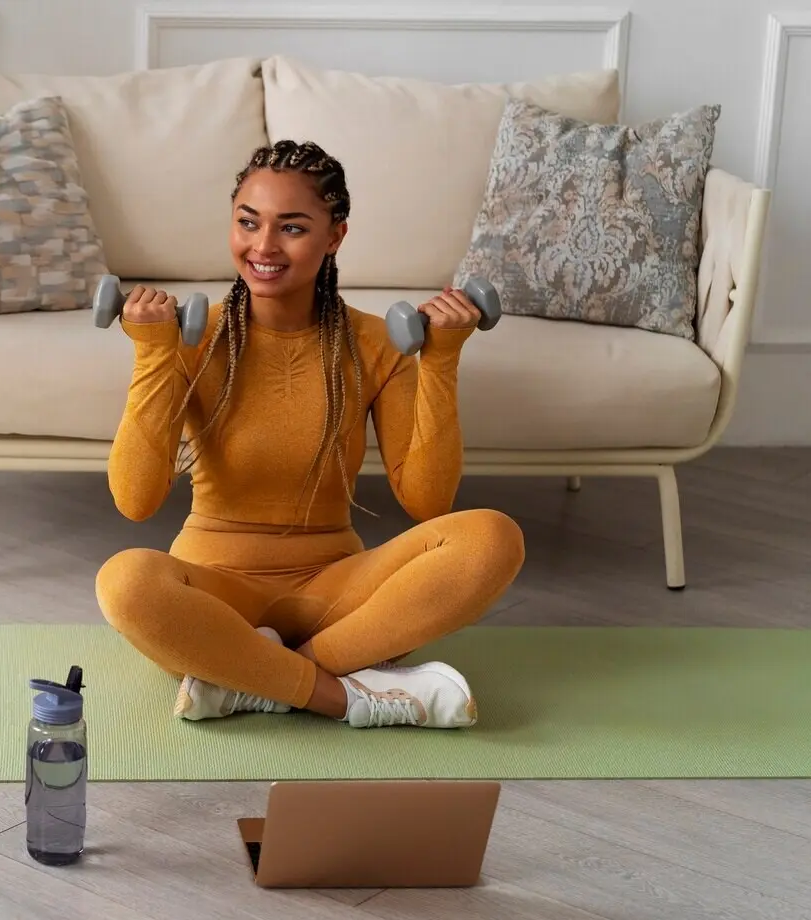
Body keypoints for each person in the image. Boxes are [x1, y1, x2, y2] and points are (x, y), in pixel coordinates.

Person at [94, 139, 526, 730]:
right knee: (124, 583)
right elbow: (135, 501)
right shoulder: (190, 336)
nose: (263, 247)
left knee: (492, 537)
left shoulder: (377, 342)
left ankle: (255, 675)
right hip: (218, 593)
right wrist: (152, 353)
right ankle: (344, 696)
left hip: (338, 596)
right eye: (248, 223)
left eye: (292, 228)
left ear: (335, 236)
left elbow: (428, 503)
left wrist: (442, 359)